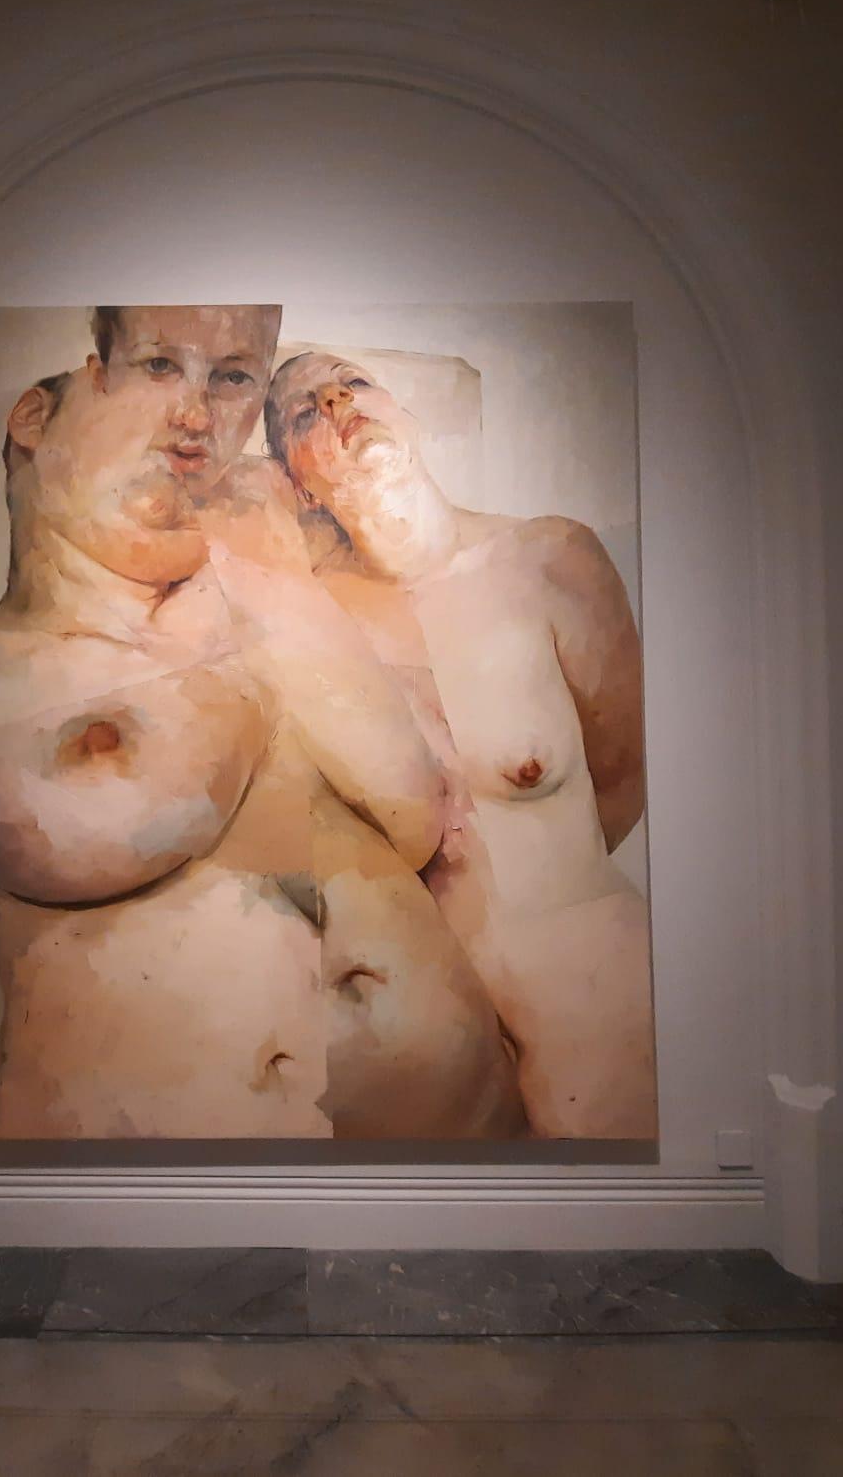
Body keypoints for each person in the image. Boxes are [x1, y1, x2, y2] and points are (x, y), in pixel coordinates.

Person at [0, 311, 522, 1138]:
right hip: (158, 1182)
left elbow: (421, 811)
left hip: (476, 1127)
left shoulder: (271, 583)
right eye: (153, 372)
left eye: (228, 382)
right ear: (34, 415)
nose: (190, 421)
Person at [264, 351, 655, 1140]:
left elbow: (623, 775)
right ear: (299, 486)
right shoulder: (313, 616)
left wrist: (539, 878)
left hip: (593, 1002)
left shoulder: (550, 558)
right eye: (304, 412)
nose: (335, 400)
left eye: (352, 382)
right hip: (439, 1049)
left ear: (403, 414)